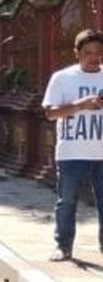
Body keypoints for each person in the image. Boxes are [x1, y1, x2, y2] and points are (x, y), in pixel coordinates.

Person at [42, 29, 103, 262]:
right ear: (76, 53)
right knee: (67, 201)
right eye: (88, 53)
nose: (94, 58)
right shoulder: (63, 78)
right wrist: (80, 105)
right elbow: (50, 113)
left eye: (98, 52)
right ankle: (63, 245)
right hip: (71, 152)